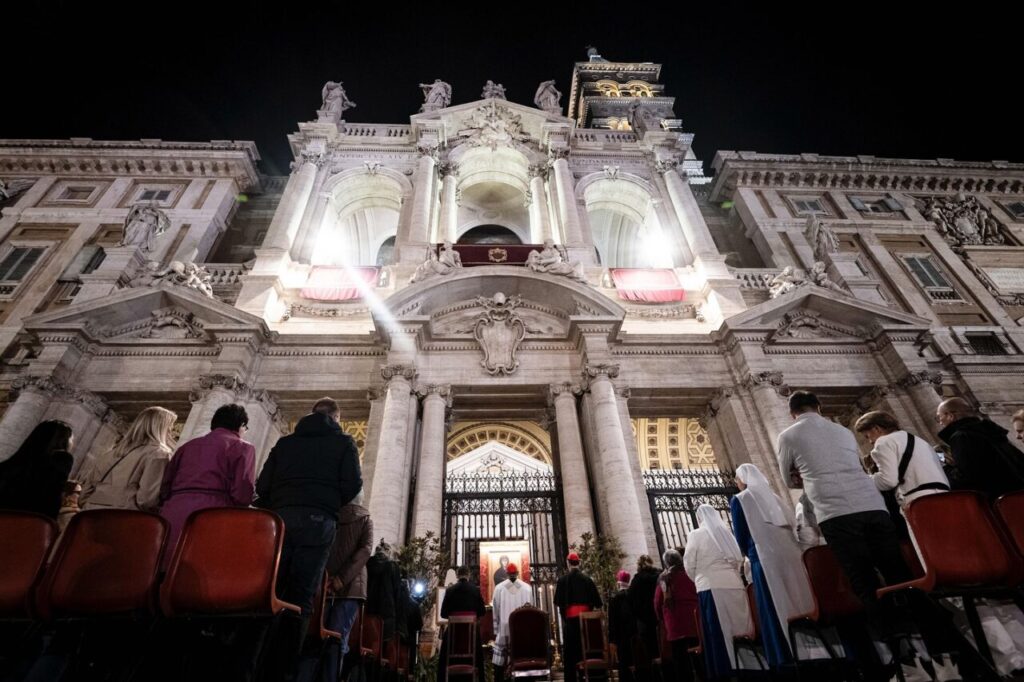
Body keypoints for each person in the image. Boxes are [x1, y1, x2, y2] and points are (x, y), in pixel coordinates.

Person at [777, 391, 913, 640]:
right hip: (872, 504)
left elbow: (788, 479)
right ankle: (938, 646)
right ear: (819, 406)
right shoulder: (842, 430)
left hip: (835, 511)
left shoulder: (788, 436)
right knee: (899, 573)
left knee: (863, 581)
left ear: (791, 413)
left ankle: (900, 652)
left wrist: (806, 474)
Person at [256, 397, 362, 680]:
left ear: (310, 414)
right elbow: (352, 483)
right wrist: (328, 502)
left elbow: (262, 485)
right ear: (337, 418)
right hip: (318, 519)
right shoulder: (343, 442)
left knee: (269, 590)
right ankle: (284, 670)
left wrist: (279, 504)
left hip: (278, 522)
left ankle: (256, 667)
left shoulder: (285, 443)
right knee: (302, 598)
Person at [732, 463, 822, 668]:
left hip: (764, 558)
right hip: (791, 555)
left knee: (773, 605)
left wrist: (751, 554)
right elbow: (791, 524)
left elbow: (741, 535)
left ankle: (784, 655)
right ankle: (816, 650)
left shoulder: (740, 500)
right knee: (799, 598)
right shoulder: (776, 498)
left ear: (743, 480)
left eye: (737, 480)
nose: (737, 484)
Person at [159, 404, 255, 562]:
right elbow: (242, 493)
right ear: (241, 425)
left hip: (173, 511)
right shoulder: (243, 447)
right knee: (199, 567)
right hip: (213, 513)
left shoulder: (186, 446)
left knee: (163, 566)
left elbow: (166, 483)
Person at [684, 505, 753, 680]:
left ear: (700, 518)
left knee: (719, 632)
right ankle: (750, 667)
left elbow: (689, 564)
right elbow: (738, 559)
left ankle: (724, 672)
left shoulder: (696, 534)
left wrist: (700, 578)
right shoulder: (727, 535)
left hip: (711, 586)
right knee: (740, 628)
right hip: (735, 586)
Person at [78, 406, 177, 512]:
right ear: (161, 429)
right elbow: (147, 500)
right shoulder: (159, 454)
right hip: (125, 516)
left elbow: (84, 494)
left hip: (89, 513)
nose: (172, 433)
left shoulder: (110, 453)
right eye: (170, 428)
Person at [318, 492, 373, 682]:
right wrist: (341, 579)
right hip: (351, 588)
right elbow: (365, 550)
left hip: (325, 585)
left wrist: (326, 578)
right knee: (338, 639)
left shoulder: (330, 514)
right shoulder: (365, 519)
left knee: (318, 636)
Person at [855, 410, 950, 512]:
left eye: (867, 436)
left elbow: (888, 481)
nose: (870, 441)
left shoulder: (883, 442)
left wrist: (865, 479)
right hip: (945, 494)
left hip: (919, 500)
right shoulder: (918, 440)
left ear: (876, 428)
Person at [937, 397, 1024, 497]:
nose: (940, 422)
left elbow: (968, 479)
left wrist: (946, 470)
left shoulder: (962, 437)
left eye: (939, 417)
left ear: (950, 416)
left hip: (1000, 501)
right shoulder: (992, 431)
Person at [0, 420, 74, 519]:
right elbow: (51, 497)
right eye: (70, 440)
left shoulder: (6, 467)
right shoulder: (61, 459)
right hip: (31, 523)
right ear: (62, 441)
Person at [554, 552, 602, 682]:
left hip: (570, 624)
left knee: (570, 656)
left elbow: (559, 605)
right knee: (586, 652)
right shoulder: (588, 580)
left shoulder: (562, 581)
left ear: (568, 563)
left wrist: (566, 619)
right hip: (587, 625)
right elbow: (597, 603)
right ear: (579, 563)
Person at [654, 549, 699, 682]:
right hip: (693, 622)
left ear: (666, 562)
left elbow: (657, 602)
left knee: (680, 659)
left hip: (674, 624)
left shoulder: (664, 578)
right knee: (698, 655)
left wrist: (661, 618)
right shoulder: (690, 574)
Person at [438, 565, 486, 679]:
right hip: (471, 635)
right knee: (478, 653)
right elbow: (482, 611)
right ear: (468, 575)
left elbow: (443, 614)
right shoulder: (475, 590)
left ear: (457, 576)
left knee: (443, 655)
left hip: (453, 637)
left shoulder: (450, 590)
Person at [491, 562, 532, 677]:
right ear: (518, 573)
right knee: (522, 653)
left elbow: (496, 609)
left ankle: (501, 677)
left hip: (505, 628)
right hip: (523, 629)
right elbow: (531, 609)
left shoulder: (499, 588)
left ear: (507, 573)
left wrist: (496, 629)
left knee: (500, 657)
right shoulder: (527, 588)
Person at [628, 554, 661, 664]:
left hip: (644, 619)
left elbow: (630, 599)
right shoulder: (659, 575)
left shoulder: (637, 580)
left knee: (648, 649)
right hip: (659, 617)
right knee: (663, 646)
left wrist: (637, 614)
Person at [608, 570, 636, 682]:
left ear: (618, 583)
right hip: (634, 634)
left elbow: (612, 621)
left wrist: (612, 640)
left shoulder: (615, 598)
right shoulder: (634, 595)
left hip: (621, 636)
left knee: (624, 664)